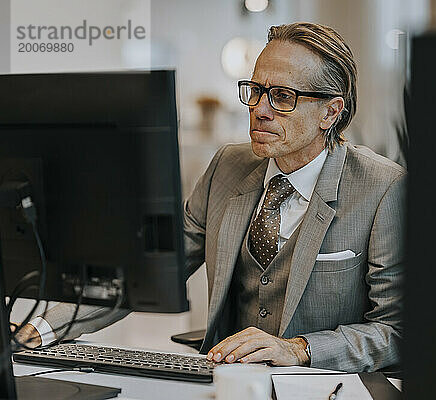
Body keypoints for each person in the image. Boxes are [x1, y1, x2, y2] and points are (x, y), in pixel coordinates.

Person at [18, 22, 405, 372]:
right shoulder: (226, 167)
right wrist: (42, 327)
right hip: (227, 385)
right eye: (255, 91)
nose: (259, 110)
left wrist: (299, 348)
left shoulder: (383, 188)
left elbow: (396, 331)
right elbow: (145, 272)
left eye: (282, 96)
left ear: (330, 112)